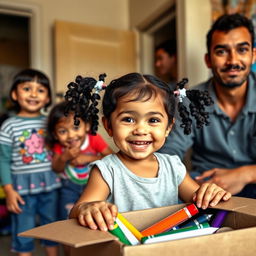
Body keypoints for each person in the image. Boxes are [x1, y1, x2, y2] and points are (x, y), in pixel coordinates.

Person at [67, 72, 231, 232]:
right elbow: (76, 211)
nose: (140, 130)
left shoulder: (172, 166)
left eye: (153, 120)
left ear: (168, 128)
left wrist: (209, 191)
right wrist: (87, 208)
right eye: (128, 119)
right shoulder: (106, 170)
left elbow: (200, 200)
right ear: (109, 126)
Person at [159, 13, 256, 198]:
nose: (233, 61)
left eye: (242, 50)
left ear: (253, 55)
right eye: (221, 51)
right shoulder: (188, 100)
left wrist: (245, 174)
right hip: (203, 190)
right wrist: (191, 187)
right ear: (208, 60)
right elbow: (168, 154)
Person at [0, 69, 61, 256]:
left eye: (40, 90)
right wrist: (9, 191)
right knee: (23, 228)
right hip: (21, 189)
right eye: (27, 88)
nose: (34, 94)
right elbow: (3, 159)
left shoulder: (51, 122)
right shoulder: (8, 125)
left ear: (48, 97)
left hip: (50, 184)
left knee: (51, 224)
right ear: (14, 94)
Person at [46, 100, 113, 221]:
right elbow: (56, 167)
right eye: (62, 131)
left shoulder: (94, 139)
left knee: (95, 214)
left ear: (87, 126)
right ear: (55, 134)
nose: (71, 135)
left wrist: (90, 158)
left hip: (94, 185)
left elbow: (111, 158)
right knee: (66, 217)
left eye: (76, 127)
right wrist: (64, 157)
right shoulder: (59, 146)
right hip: (68, 188)